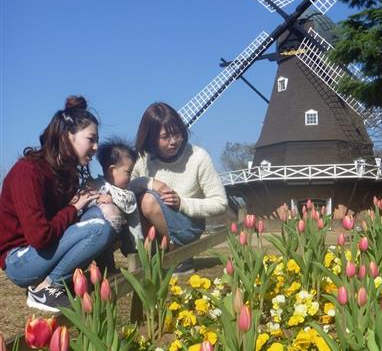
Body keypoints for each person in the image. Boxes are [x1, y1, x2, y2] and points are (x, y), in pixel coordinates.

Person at [0, 96, 116, 312]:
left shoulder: (65, 173)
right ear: (66, 137)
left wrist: (89, 204)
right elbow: (39, 236)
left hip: (43, 251)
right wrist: (74, 207)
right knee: (99, 228)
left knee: (103, 217)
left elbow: (63, 221)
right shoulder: (28, 172)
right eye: (91, 139)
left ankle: (95, 272)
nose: (96, 147)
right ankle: (45, 289)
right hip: (20, 260)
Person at [131, 102, 228, 263]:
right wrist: (149, 182)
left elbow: (220, 203)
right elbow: (127, 188)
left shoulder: (197, 157)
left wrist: (182, 203)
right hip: (152, 230)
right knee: (139, 196)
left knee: (148, 201)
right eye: (165, 137)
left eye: (177, 134)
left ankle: (180, 255)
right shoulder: (144, 159)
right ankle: (151, 257)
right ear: (151, 138)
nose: (174, 141)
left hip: (186, 227)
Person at [85, 138, 151, 252]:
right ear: (111, 170)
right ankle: (107, 266)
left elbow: (135, 221)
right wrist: (98, 199)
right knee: (104, 254)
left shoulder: (128, 193)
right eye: (128, 172)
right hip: (100, 234)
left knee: (129, 241)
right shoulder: (98, 186)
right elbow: (86, 205)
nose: (131, 176)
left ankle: (134, 256)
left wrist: (138, 244)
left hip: (121, 233)